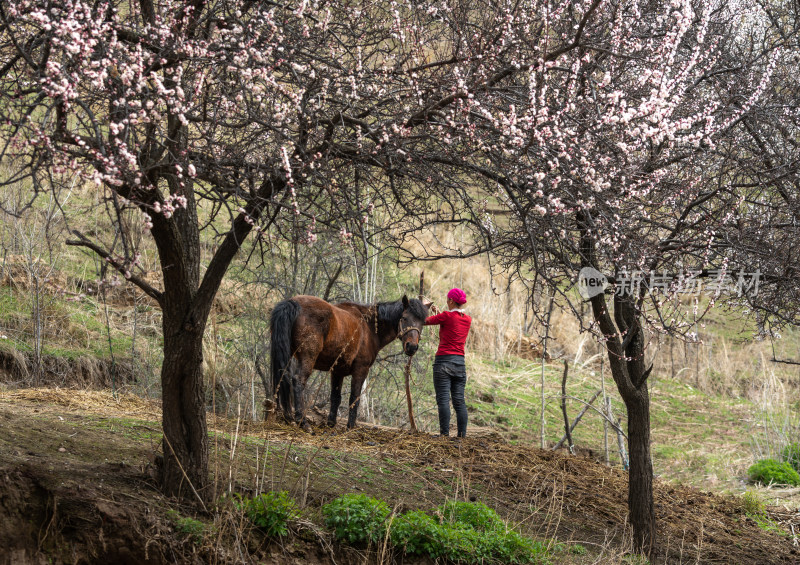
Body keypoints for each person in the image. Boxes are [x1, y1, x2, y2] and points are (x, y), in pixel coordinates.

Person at [424, 288, 472, 438]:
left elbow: (425, 321)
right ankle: (461, 436)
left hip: (443, 362)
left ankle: (444, 435)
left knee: (443, 400)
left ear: (451, 301)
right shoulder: (467, 319)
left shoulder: (446, 316)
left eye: (447, 299)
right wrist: (439, 313)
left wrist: (424, 308)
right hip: (460, 364)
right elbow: (451, 320)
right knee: (459, 402)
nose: (446, 302)